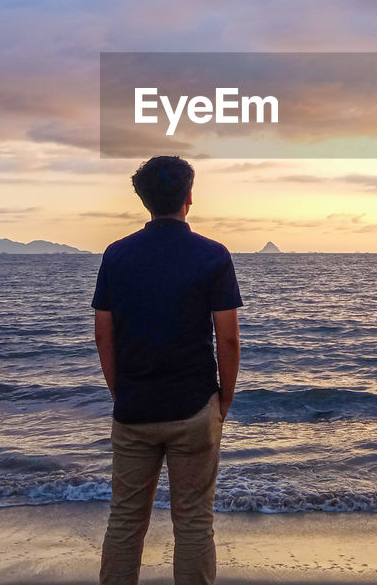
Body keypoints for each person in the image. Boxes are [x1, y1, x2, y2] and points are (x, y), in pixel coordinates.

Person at [91, 155, 243, 585]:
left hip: (134, 409)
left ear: (143, 199)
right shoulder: (212, 255)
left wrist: (121, 391)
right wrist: (224, 398)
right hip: (194, 408)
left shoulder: (117, 255)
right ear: (189, 197)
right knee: (194, 524)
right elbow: (227, 337)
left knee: (124, 522)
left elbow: (104, 333)